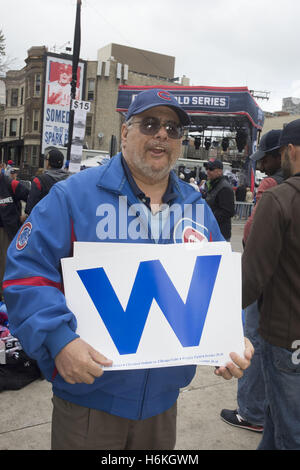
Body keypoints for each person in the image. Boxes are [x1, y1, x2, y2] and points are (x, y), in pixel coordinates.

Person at [3, 88, 253, 451]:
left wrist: (232, 339)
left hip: (162, 407)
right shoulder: (73, 197)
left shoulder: (195, 207)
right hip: (89, 405)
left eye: (172, 128)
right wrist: (59, 341)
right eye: (150, 124)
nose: (162, 135)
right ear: (125, 132)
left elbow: (214, 290)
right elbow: (27, 275)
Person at [238, 118, 300, 449]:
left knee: (291, 431)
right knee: (277, 421)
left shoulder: (279, 200)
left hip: (286, 339)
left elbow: (251, 278)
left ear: (289, 151)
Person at [220, 129, 283, 433]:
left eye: (266, 159)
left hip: (263, 284)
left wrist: (240, 294)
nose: (261, 166)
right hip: (286, 290)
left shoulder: (273, 187)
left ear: (282, 154)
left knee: (253, 344)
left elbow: (251, 235)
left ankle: (251, 413)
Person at [0, 170, 29, 300]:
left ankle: (5, 297)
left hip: (6, 231)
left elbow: (31, 197)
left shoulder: (11, 183)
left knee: (5, 265)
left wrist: (26, 216)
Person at [25, 149, 68, 216]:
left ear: (48, 163)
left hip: (43, 221)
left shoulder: (39, 180)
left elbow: (30, 208)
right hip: (63, 222)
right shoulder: (69, 180)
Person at [205, 160, 235, 241]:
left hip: (220, 234)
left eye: (211, 169)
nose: (207, 171)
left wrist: (208, 217)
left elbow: (228, 212)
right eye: (207, 168)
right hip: (212, 231)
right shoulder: (212, 184)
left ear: (220, 171)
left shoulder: (224, 187)